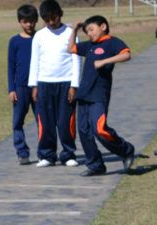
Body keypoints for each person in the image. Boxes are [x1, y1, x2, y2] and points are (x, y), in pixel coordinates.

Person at [67, 15, 135, 177]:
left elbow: (126, 54)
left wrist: (105, 61)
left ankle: (126, 150)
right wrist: (74, 30)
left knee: (100, 129)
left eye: (91, 29)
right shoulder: (89, 45)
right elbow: (71, 49)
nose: (89, 34)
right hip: (83, 94)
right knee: (84, 131)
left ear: (103, 26)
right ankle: (96, 165)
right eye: (87, 31)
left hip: (99, 94)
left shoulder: (112, 42)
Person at [28, 0, 79, 167]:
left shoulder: (71, 33)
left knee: (65, 121)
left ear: (60, 14)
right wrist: (34, 85)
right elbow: (35, 61)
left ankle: (68, 154)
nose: (51, 22)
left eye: (54, 18)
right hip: (44, 84)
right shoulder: (39, 36)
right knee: (46, 121)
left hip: (65, 83)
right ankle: (47, 155)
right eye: (47, 19)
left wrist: (74, 85)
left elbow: (76, 60)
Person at [8, 5, 38, 165]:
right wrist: (11, 89)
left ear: (36, 21)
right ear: (20, 22)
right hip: (20, 87)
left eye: (32, 21)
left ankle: (45, 152)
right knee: (18, 121)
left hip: (39, 87)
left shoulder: (41, 38)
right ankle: (22, 152)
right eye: (25, 22)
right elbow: (10, 66)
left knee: (43, 120)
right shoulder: (14, 41)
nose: (29, 25)